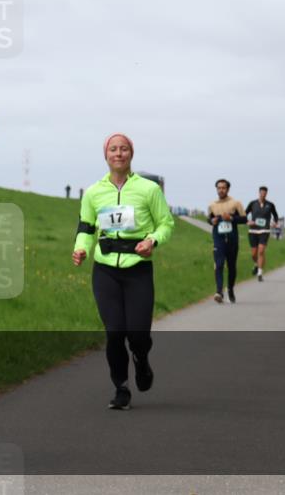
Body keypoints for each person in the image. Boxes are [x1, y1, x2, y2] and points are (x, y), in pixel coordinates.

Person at [72, 133, 174, 411]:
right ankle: (121, 387)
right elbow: (86, 227)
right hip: (105, 270)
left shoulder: (149, 189)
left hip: (138, 269)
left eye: (124, 149)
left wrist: (152, 240)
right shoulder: (94, 192)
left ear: (131, 154)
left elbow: (166, 223)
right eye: (113, 149)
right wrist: (81, 248)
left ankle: (141, 360)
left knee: (138, 334)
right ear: (106, 155)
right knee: (115, 331)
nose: (118, 153)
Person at [207, 179, 247, 303]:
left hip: (232, 238)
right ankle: (219, 292)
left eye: (223, 188)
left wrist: (231, 218)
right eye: (219, 188)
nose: (221, 190)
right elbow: (209, 219)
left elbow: (244, 219)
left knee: (231, 266)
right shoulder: (212, 205)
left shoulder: (235, 203)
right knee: (218, 264)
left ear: (228, 189)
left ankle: (230, 288)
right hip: (218, 238)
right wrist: (211, 221)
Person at [245, 186, 280, 281]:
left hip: (264, 230)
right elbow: (245, 213)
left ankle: (260, 273)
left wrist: (275, 223)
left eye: (265, 193)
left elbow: (276, 215)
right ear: (259, 193)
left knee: (261, 251)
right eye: (262, 192)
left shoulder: (270, 204)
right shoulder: (252, 203)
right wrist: (247, 222)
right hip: (253, 230)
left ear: (266, 194)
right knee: (253, 254)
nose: (263, 194)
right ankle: (256, 264)